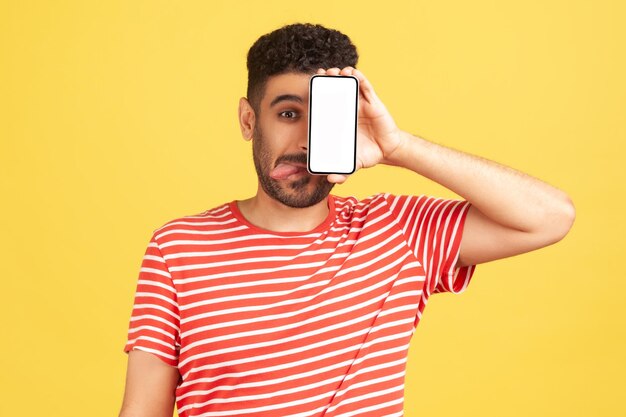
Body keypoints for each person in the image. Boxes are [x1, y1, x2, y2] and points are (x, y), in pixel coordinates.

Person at [118, 22, 575, 417]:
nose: (303, 140)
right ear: (248, 120)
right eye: (288, 113)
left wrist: (399, 147)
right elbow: (142, 409)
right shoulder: (177, 247)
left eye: (324, 118)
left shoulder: (396, 229)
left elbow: (550, 218)